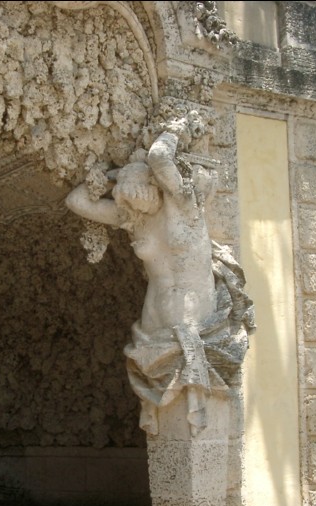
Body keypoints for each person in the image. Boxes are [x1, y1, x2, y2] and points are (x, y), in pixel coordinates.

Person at [66, 109, 253, 436]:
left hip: (196, 323)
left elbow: (160, 156)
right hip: (153, 326)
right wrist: (111, 176)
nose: (132, 194)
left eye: (139, 185)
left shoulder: (183, 202)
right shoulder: (133, 217)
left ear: (155, 181)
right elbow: (77, 201)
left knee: (197, 432)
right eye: (127, 190)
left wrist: (174, 129)